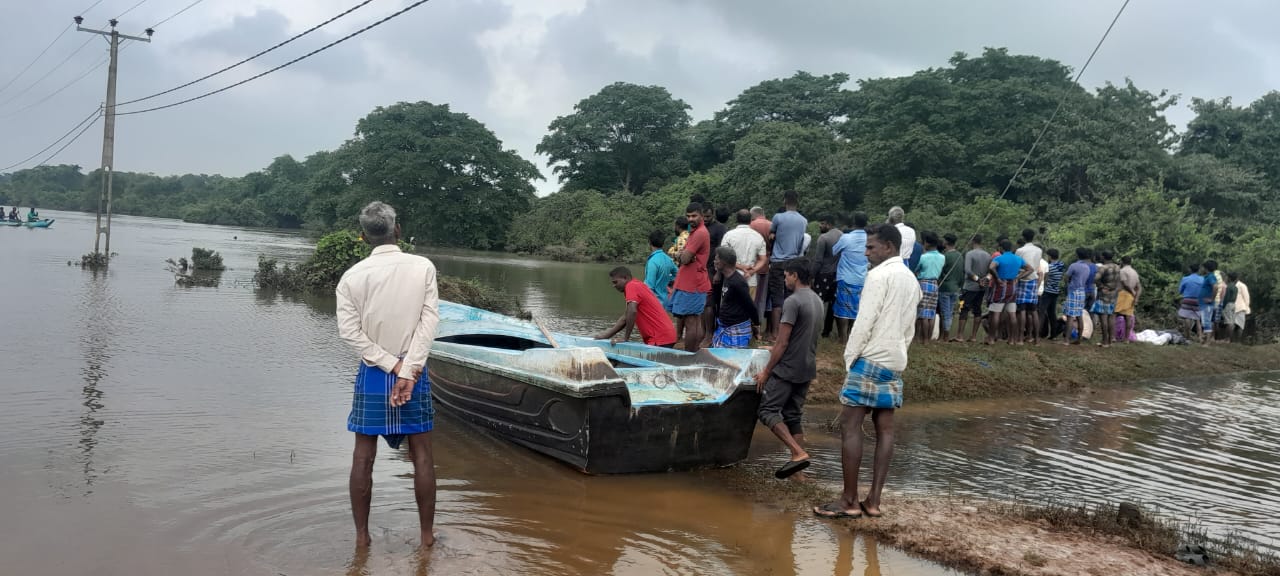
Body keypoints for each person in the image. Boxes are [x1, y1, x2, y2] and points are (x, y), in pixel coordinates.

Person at [335, 201, 440, 549]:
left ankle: (361, 540)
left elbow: (351, 334)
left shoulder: (351, 277)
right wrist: (408, 369)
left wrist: (392, 366)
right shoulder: (422, 267)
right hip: (415, 370)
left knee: (363, 456)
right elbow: (429, 322)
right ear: (397, 229)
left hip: (375, 371)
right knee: (421, 453)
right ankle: (427, 538)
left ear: (363, 236)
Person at [813, 223, 920, 520]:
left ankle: (849, 500)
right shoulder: (911, 279)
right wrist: (899, 353)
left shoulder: (877, 275)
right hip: (895, 359)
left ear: (888, 247)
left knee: (850, 425)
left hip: (870, 356)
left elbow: (864, 322)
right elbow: (910, 327)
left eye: (871, 247)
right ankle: (873, 502)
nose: (866, 252)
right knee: (885, 428)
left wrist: (851, 358)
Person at [754, 258, 823, 480]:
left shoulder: (792, 302)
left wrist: (766, 371)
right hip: (807, 366)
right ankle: (799, 474)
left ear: (794, 275)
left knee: (767, 411)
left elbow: (783, 342)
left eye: (786, 275)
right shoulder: (817, 300)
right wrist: (772, 347)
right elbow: (798, 337)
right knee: (793, 415)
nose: (784, 279)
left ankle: (797, 452)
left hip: (788, 368)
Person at [595, 267, 678, 347]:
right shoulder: (637, 285)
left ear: (625, 278)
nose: (614, 285)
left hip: (660, 338)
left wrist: (625, 338)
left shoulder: (631, 286)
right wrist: (607, 335)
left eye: (615, 282)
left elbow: (632, 311)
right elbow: (625, 317)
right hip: (667, 336)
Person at [669, 203, 712, 352]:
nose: (690, 219)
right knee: (693, 321)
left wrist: (682, 254)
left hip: (693, 285)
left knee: (691, 322)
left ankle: (690, 355)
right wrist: (683, 254)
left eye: (694, 216)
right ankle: (693, 353)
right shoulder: (694, 232)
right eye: (688, 216)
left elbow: (685, 258)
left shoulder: (700, 233)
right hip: (689, 283)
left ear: (701, 215)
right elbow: (684, 256)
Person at [766, 191, 808, 343]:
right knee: (790, 297)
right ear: (798, 202)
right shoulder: (803, 221)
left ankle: (775, 334)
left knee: (777, 298)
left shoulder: (778, 217)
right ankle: (788, 333)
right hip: (793, 262)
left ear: (784, 201)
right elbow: (801, 242)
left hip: (777, 261)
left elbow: (771, 235)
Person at [986, 239, 1033, 345]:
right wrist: (1019, 277)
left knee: (996, 313)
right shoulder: (1018, 259)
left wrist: (997, 278)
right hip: (1013, 286)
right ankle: (1012, 339)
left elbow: (991, 267)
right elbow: (1030, 269)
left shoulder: (999, 258)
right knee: (1012, 313)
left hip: (1001, 285)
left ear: (1001, 248)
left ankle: (991, 338)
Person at [711, 247, 759, 348]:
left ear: (724, 262)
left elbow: (750, 306)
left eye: (717, 259)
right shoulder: (726, 277)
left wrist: (756, 324)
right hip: (725, 327)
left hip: (736, 328)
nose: (714, 261)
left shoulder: (738, 282)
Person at [832, 212, 869, 341]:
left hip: (846, 277)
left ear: (853, 222)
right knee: (856, 308)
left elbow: (834, 250)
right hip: (863, 278)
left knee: (843, 307)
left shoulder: (846, 238)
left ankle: (843, 337)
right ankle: (852, 336)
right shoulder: (870, 238)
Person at [721, 209, 769, 301]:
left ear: (737, 220)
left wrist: (740, 267)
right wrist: (751, 271)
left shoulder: (729, 235)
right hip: (750, 280)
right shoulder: (758, 237)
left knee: (729, 309)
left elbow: (723, 257)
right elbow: (763, 259)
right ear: (750, 220)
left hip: (731, 278)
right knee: (747, 310)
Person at [814, 215, 844, 338]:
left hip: (823, 274)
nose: (820, 226)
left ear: (828, 224)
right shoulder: (842, 236)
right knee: (832, 304)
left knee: (818, 303)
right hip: (837, 274)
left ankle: (814, 329)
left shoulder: (823, 238)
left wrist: (811, 274)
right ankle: (827, 331)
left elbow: (818, 260)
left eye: (822, 223)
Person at [956, 234, 991, 343]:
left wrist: (977, 280)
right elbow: (991, 271)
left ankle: (960, 335)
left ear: (972, 241)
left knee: (963, 309)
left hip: (970, 287)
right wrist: (984, 280)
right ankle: (974, 336)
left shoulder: (970, 254)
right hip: (982, 288)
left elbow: (968, 270)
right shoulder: (988, 255)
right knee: (977, 310)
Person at [1014, 230, 1043, 345]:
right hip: (1033, 280)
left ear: (1023, 237)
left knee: (1022, 310)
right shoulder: (1039, 250)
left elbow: (1017, 265)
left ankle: (1020, 338)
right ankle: (1036, 339)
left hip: (1022, 279)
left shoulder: (1019, 250)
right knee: (1033, 311)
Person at [914, 232, 944, 344]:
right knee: (931, 313)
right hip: (935, 284)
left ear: (928, 243)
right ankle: (927, 339)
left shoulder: (924, 257)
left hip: (924, 282)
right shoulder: (942, 257)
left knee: (922, 313)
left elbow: (917, 269)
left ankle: (922, 338)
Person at [1061, 248, 1093, 345]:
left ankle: (1066, 340)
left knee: (1070, 316)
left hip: (1073, 291)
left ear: (1077, 255)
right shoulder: (1087, 267)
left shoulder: (1074, 265)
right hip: (1082, 291)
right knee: (1079, 315)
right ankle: (1078, 339)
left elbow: (1066, 277)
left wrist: (1069, 283)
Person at [1089, 250, 1120, 348]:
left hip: (1104, 294)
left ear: (1103, 257)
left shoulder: (1103, 268)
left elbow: (1095, 279)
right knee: (1111, 317)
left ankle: (1105, 341)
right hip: (1114, 294)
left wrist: (1101, 286)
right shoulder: (1117, 267)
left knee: (1103, 317)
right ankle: (1111, 340)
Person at [749, 206, 774, 324]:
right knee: (762, 297)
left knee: (751, 294)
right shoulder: (771, 225)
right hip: (766, 263)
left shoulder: (752, 225)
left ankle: (749, 322)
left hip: (752, 264)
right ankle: (758, 323)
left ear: (753, 215)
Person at [938, 233, 963, 342]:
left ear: (946, 242)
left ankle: (945, 336)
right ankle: (944, 335)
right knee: (950, 312)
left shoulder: (945, 256)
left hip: (945, 288)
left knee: (945, 313)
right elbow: (962, 274)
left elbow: (939, 272)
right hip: (955, 288)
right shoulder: (960, 256)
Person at [644, 230, 677, 310]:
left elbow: (649, 286)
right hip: (665, 301)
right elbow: (679, 274)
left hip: (654, 302)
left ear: (650, 242)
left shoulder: (653, 261)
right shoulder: (668, 259)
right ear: (663, 243)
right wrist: (670, 279)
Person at [1116, 256, 1142, 342]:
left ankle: (1112, 336)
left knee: (1113, 314)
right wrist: (1136, 297)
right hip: (1131, 297)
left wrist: (1132, 292)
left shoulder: (1122, 271)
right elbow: (1139, 287)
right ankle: (1126, 338)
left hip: (1123, 294)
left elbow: (1125, 284)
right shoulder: (1134, 272)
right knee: (1128, 317)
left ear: (1122, 261)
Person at [1039, 249, 1064, 340]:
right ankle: (1053, 334)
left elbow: (1045, 279)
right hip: (1055, 291)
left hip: (1048, 291)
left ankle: (1038, 333)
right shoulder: (1061, 265)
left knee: (1041, 312)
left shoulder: (1050, 267)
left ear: (1049, 256)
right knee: (1052, 313)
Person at [1177, 265, 1204, 340]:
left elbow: (1180, 291)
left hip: (1187, 299)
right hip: (1198, 300)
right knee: (1197, 319)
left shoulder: (1185, 279)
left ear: (1190, 270)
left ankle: (1187, 336)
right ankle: (1200, 337)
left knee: (1187, 317)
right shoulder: (1202, 279)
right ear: (1198, 270)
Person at [1198, 260, 1219, 345]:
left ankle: (1207, 342)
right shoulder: (1207, 276)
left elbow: (1215, 286)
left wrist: (1211, 299)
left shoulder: (1211, 277)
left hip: (1207, 304)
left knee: (1206, 322)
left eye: (1203, 267)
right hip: (1203, 303)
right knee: (1204, 321)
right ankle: (1204, 339)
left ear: (1206, 268)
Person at [1227, 272, 1250, 343]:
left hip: (1234, 307)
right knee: (1239, 325)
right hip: (1239, 307)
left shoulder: (1230, 286)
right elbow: (1246, 298)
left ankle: (1232, 341)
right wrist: (1247, 308)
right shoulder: (1242, 285)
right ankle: (1237, 341)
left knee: (1232, 324)